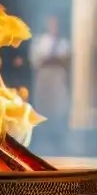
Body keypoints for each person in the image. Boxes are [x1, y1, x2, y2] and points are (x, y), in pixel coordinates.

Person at [29, 15, 71, 146]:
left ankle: (58, 137)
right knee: (44, 106)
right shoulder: (40, 41)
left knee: (58, 107)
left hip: (57, 77)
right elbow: (35, 59)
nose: (54, 27)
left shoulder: (64, 43)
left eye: (56, 24)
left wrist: (55, 59)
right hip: (45, 77)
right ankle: (43, 136)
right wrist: (47, 59)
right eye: (51, 24)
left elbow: (66, 60)